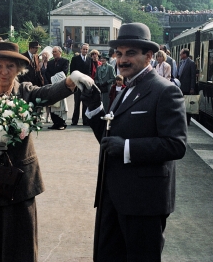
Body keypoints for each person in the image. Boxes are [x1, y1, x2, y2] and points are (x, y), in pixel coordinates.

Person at [0, 41, 94, 262]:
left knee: (20, 249)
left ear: (19, 69)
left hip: (19, 186)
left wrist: (70, 80)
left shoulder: (26, 92)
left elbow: (48, 93)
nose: (4, 72)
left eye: (10, 66)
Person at [81, 22, 187, 261]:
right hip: (112, 195)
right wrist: (94, 106)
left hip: (144, 201)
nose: (122, 59)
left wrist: (127, 147)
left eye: (130, 53)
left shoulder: (165, 91)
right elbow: (109, 140)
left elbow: (176, 144)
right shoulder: (125, 88)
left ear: (149, 56)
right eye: (119, 54)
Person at [46, 46, 70, 130]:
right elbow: (47, 73)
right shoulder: (50, 63)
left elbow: (64, 72)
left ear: (60, 52)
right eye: (53, 52)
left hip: (61, 86)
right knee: (52, 104)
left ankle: (62, 123)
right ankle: (55, 123)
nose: (53, 53)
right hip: (52, 86)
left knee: (61, 105)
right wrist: (51, 81)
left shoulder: (65, 61)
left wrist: (55, 80)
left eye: (55, 52)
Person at [70, 43, 91, 125]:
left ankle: (85, 121)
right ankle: (74, 120)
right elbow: (72, 71)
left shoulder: (89, 59)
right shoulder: (75, 59)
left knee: (85, 103)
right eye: (84, 49)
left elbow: (89, 72)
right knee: (77, 103)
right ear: (80, 49)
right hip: (77, 84)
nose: (85, 50)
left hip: (85, 84)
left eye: (86, 49)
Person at [178, 48, 197, 125]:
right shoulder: (181, 63)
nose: (180, 55)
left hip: (187, 87)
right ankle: (182, 119)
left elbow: (193, 76)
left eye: (181, 54)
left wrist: (192, 88)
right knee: (181, 104)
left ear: (185, 54)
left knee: (187, 105)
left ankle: (187, 120)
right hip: (180, 87)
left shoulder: (191, 63)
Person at [39, 51, 52, 123]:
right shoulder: (40, 63)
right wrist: (42, 61)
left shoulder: (50, 63)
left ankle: (48, 116)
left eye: (46, 55)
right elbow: (38, 70)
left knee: (48, 101)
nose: (45, 57)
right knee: (40, 100)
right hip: (41, 83)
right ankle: (40, 115)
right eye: (43, 56)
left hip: (48, 83)